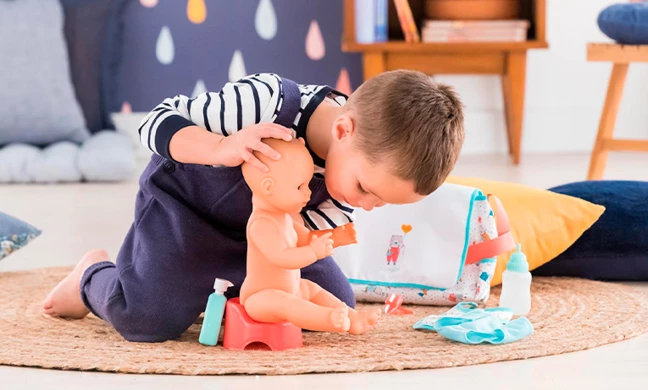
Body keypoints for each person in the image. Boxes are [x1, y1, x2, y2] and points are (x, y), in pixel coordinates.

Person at [43, 70, 465, 342]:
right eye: (366, 189)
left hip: (263, 244)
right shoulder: (265, 102)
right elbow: (155, 121)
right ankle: (91, 277)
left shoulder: (346, 182)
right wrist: (220, 147)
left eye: (381, 203)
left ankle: (222, 298)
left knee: (335, 302)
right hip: (185, 212)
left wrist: (313, 249)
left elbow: (292, 245)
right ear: (343, 129)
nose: (367, 206)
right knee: (144, 318)